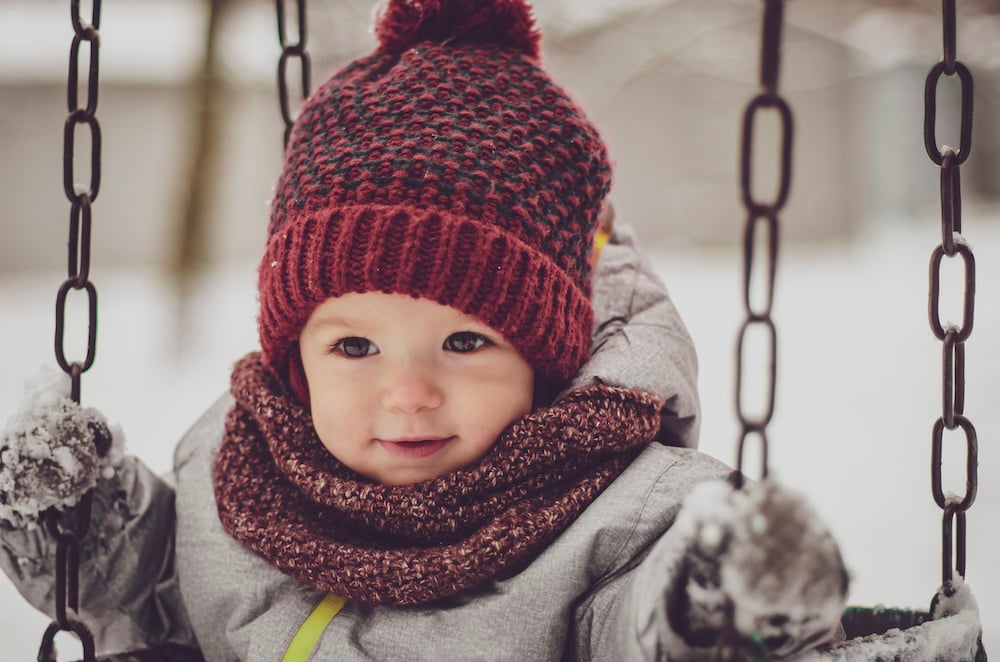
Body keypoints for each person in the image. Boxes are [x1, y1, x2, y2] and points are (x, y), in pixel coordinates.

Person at [0, 1, 849, 659]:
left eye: (467, 342)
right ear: (295, 358)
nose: (407, 395)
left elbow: (634, 628)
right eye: (354, 347)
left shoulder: (623, 513)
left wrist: (709, 604)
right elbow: (166, 600)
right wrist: (91, 531)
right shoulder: (236, 467)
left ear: (546, 361)